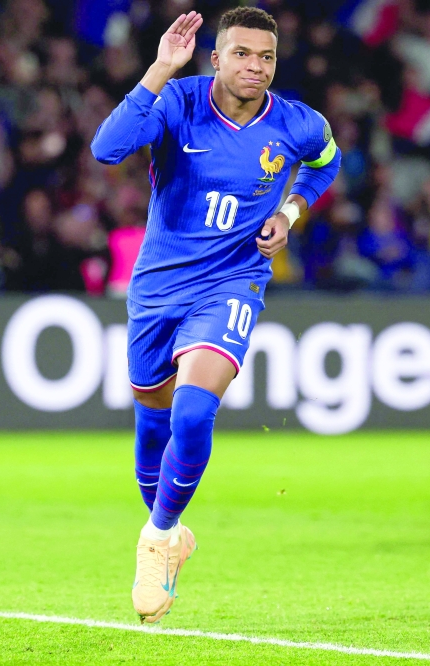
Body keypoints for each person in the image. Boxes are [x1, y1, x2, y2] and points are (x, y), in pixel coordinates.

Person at [90, 7, 341, 624]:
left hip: (233, 283)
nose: (255, 66)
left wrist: (291, 212)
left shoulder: (298, 123)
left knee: (193, 410)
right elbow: (106, 148)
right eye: (242, 54)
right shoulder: (178, 101)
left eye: (266, 56)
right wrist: (159, 68)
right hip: (158, 289)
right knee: (153, 425)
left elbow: (327, 161)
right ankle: (171, 534)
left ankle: (156, 538)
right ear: (216, 57)